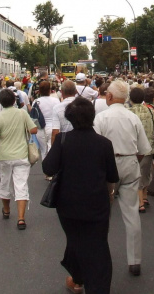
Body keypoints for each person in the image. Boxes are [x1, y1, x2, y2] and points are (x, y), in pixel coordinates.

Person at [43, 97, 119, 294]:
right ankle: (97, 287)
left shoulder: (63, 140)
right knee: (98, 246)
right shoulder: (104, 143)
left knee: (75, 240)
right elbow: (112, 175)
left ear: (70, 118)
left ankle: (78, 279)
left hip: (68, 204)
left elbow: (48, 167)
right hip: (97, 203)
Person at [94, 80, 151, 276]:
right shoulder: (132, 117)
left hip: (108, 166)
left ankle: (99, 257)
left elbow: (95, 147)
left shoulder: (101, 118)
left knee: (102, 214)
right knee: (131, 213)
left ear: (109, 96)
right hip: (129, 163)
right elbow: (144, 149)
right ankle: (134, 260)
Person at [0, 89, 37, 230]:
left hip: (3, 156)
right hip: (21, 155)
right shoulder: (22, 113)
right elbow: (34, 130)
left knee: (5, 183)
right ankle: (21, 218)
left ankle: (6, 210)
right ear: (14, 101)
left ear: (1, 102)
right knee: (21, 185)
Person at [128, 87, 154, 214]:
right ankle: (145, 195)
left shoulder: (129, 111)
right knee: (146, 173)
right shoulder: (150, 110)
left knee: (136, 175)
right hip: (148, 147)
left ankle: (140, 202)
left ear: (130, 98)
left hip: (133, 149)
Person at [32, 81, 59, 163]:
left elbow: (33, 117)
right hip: (53, 127)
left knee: (43, 150)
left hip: (40, 128)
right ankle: (52, 169)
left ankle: (46, 169)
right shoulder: (56, 101)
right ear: (50, 90)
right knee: (52, 149)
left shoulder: (36, 102)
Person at [51, 80, 77, 145]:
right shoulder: (83, 105)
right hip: (81, 142)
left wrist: (54, 151)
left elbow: (55, 132)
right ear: (76, 91)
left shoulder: (57, 108)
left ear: (62, 93)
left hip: (65, 143)